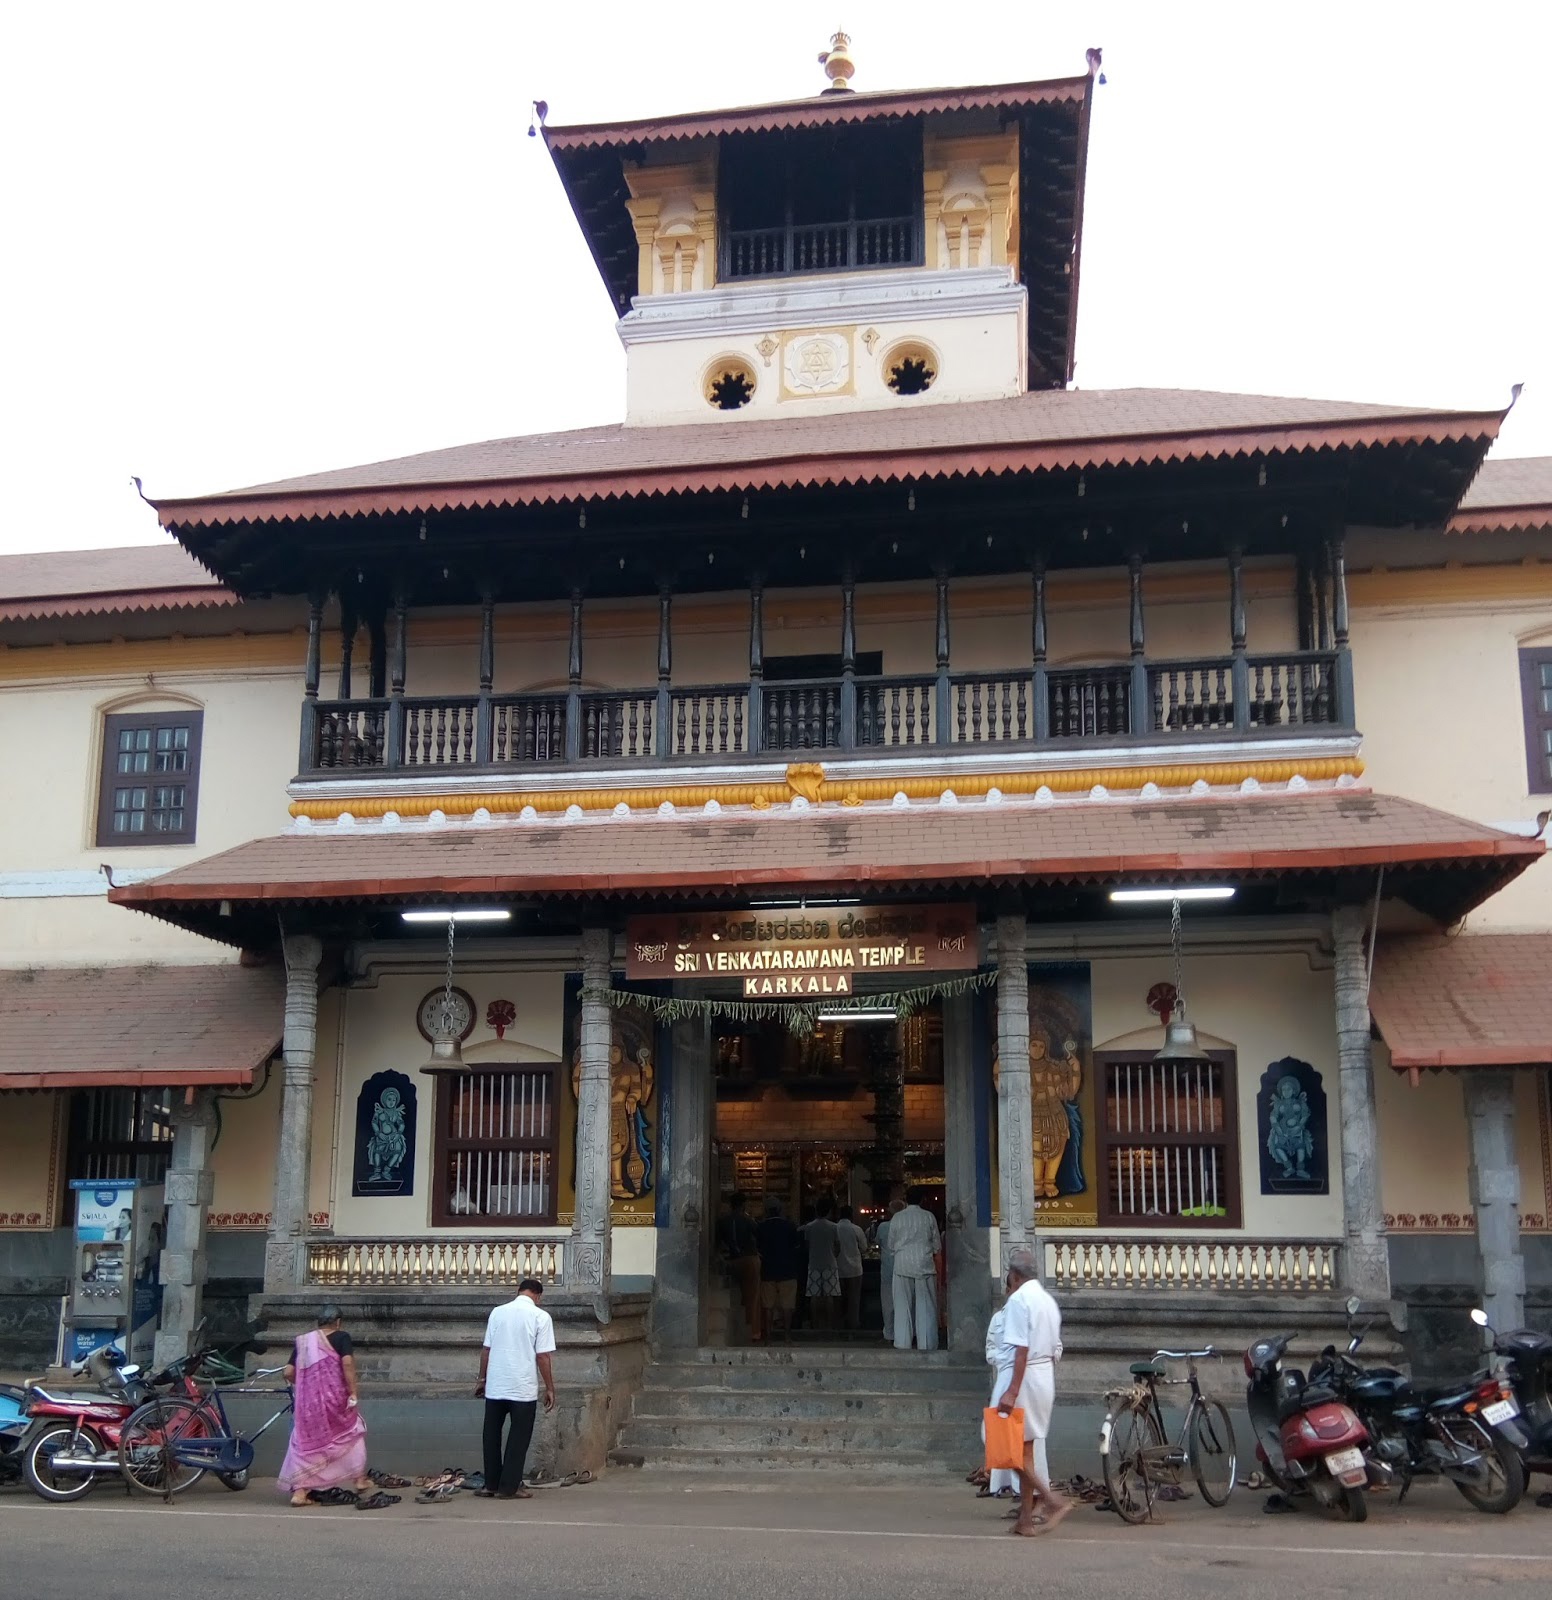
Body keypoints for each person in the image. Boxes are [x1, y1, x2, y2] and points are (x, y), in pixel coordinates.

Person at [995, 1246, 1071, 1537]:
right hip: (1044, 1376)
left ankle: (1051, 1500)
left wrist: (1011, 1391)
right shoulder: (1047, 1300)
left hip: (1025, 1377)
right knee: (1024, 1451)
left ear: (1013, 1276)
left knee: (1006, 1450)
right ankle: (1025, 1519)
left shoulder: (1019, 1301)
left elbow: (1020, 1351)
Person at [278, 1305, 374, 1508]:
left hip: (308, 1406)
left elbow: (288, 1372)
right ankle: (358, 1479)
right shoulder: (342, 1337)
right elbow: (347, 1364)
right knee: (352, 1433)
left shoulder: (304, 1341)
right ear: (338, 1322)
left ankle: (300, 1491)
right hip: (335, 1402)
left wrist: (307, 1383)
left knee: (304, 1445)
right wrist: (353, 1391)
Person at [475, 1277, 556, 1500]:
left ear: (518, 1291)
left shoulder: (497, 1312)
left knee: (491, 1435)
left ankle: (491, 1484)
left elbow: (486, 1350)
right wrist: (549, 1387)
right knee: (518, 1437)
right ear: (538, 1296)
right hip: (522, 1387)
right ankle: (509, 1487)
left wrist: (482, 1380)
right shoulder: (540, 1316)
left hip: (496, 1385)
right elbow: (543, 1356)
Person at [889, 1187, 941, 1351]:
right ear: (922, 1200)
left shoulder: (897, 1217)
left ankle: (902, 1342)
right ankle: (927, 1344)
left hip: (902, 1264)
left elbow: (891, 1245)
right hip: (923, 1264)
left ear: (906, 1199)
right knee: (926, 1306)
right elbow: (936, 1246)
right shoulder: (928, 1216)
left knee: (902, 1305)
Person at [981, 1301, 1018, 1498]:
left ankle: (1020, 1487)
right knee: (994, 1432)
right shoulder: (998, 1318)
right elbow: (990, 1348)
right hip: (1003, 1376)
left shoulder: (1026, 1315)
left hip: (1023, 1378)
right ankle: (1000, 1483)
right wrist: (1001, 1359)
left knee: (1019, 1434)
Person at [717, 1192, 762, 1343]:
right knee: (752, 1297)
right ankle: (753, 1332)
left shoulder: (723, 1221)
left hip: (733, 1260)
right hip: (749, 1259)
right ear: (743, 1204)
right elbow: (758, 1235)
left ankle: (738, 1329)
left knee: (738, 1295)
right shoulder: (748, 1220)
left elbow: (719, 1243)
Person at [755, 1195, 801, 1342]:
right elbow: (797, 1247)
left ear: (766, 1211)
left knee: (768, 1306)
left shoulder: (760, 1227)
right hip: (787, 1270)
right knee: (787, 1306)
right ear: (780, 1209)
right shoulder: (790, 1226)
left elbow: (758, 1248)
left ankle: (768, 1336)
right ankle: (787, 1336)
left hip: (768, 1270)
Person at [800, 1199, 841, 1331]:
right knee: (829, 1296)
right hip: (830, 1263)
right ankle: (829, 1325)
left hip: (813, 1263)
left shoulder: (809, 1227)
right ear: (829, 1211)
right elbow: (837, 1246)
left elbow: (806, 1246)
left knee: (814, 1295)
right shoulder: (834, 1227)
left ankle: (815, 1324)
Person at [834, 1206, 868, 1332]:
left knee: (839, 1299)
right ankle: (853, 1324)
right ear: (851, 1215)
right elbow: (864, 1247)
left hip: (837, 1267)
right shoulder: (856, 1229)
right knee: (853, 1299)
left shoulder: (835, 1228)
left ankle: (838, 1325)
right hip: (854, 1269)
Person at [876, 1198, 904, 1343]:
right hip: (902, 1267)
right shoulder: (905, 1226)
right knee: (904, 1301)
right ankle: (904, 1333)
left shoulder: (883, 1227)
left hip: (888, 1268)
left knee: (887, 1302)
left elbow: (878, 1242)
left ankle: (889, 1333)